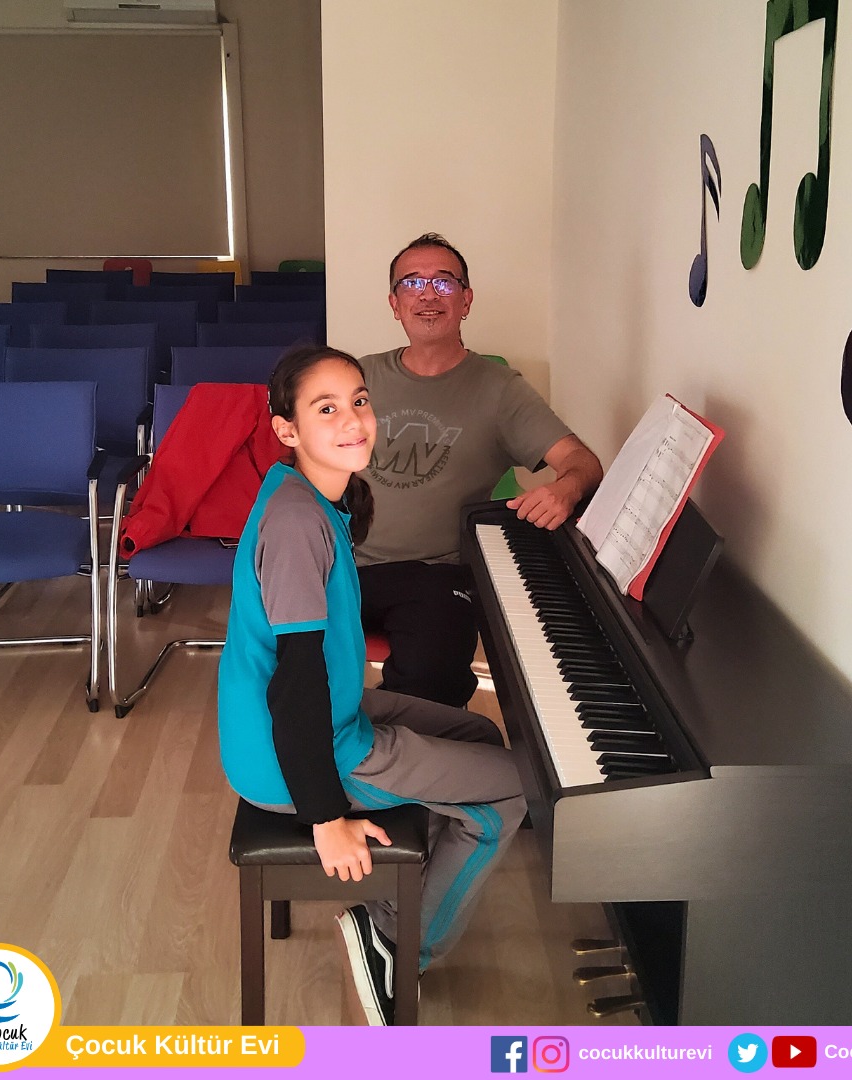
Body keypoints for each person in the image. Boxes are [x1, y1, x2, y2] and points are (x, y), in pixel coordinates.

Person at [217, 344, 526, 1026]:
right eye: (326, 408)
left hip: (320, 717)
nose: (353, 419)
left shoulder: (307, 491)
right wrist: (326, 820)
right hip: (295, 750)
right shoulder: (297, 524)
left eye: (359, 400)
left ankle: (418, 872)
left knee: (478, 731)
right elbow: (295, 687)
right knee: (511, 790)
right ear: (287, 429)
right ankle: (395, 939)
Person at [356, 233, 603, 707]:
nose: (428, 294)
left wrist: (566, 489)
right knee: (282, 660)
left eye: (444, 282)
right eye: (412, 283)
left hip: (435, 573)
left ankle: (400, 748)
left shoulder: (500, 391)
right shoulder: (360, 376)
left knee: (429, 689)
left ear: (466, 300)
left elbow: (582, 463)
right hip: (343, 563)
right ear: (394, 304)